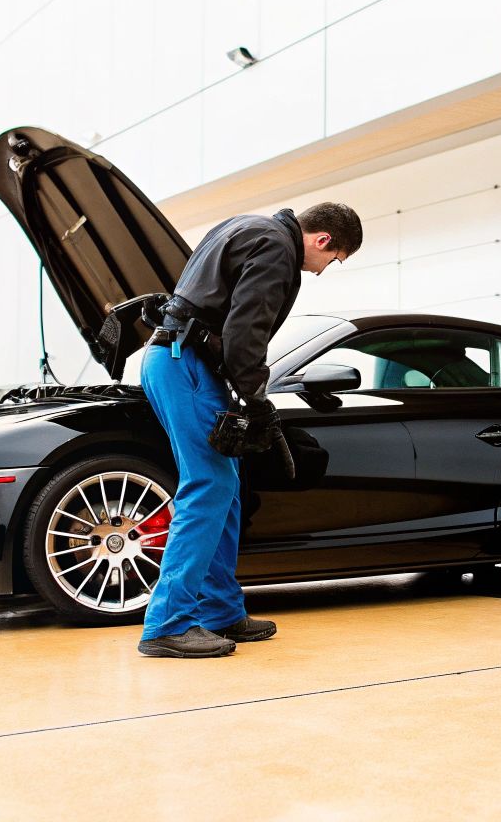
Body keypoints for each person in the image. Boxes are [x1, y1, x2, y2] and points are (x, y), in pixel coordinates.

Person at [136, 201, 362, 658]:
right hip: (187, 365)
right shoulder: (278, 246)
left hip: (174, 358)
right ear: (322, 240)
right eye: (332, 260)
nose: (322, 271)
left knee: (227, 487)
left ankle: (220, 612)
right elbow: (245, 330)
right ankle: (166, 624)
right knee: (209, 485)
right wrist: (258, 400)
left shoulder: (243, 224)